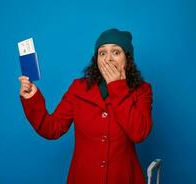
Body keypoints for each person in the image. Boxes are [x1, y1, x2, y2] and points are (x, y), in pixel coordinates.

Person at [18, 28, 153, 184]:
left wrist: (117, 86)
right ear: (96, 59)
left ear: (127, 58)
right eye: (102, 53)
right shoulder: (78, 88)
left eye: (116, 52)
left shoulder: (142, 90)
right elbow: (52, 129)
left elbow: (139, 133)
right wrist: (31, 99)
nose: (108, 59)